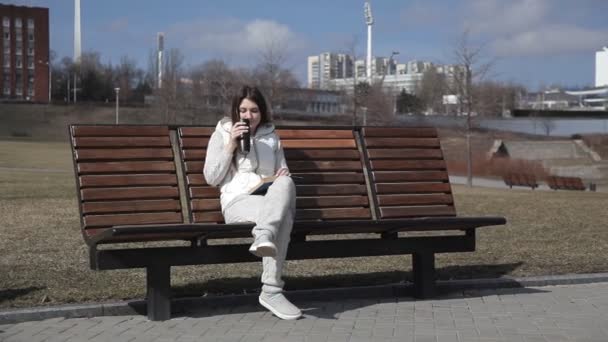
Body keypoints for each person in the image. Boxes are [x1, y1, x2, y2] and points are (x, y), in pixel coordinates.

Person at [203, 85, 302, 320]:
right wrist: (230, 146)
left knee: (286, 184)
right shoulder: (223, 133)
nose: (249, 116)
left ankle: (264, 236)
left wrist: (282, 174)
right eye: (243, 110)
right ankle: (272, 289)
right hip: (237, 202)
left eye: (254, 110)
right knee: (283, 218)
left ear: (262, 112)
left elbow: (282, 170)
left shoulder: (272, 137)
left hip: (267, 201)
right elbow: (211, 177)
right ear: (236, 112)